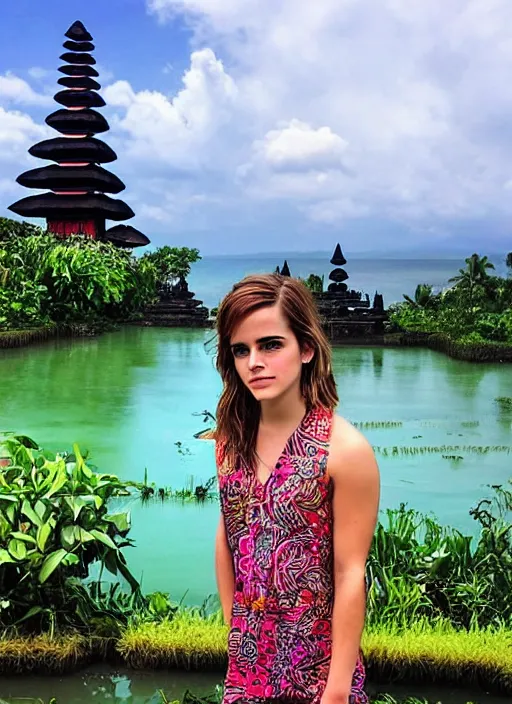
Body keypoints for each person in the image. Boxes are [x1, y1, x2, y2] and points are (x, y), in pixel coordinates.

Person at [213, 273, 380, 704]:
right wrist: (238, 638)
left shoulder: (345, 451)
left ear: (306, 348)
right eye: (241, 350)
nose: (254, 362)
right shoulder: (230, 440)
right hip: (248, 663)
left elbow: (349, 573)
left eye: (271, 344)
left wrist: (337, 689)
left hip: (317, 666)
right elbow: (229, 539)